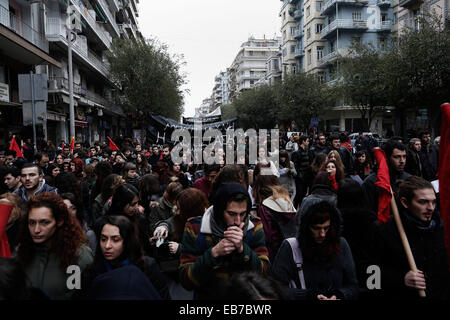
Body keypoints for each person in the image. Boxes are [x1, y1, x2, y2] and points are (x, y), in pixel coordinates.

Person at [179, 182, 270, 300]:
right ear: (219, 211)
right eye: (231, 214)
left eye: (242, 214)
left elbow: (265, 273)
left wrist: (243, 251)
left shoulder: (254, 226)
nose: (237, 221)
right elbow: (186, 280)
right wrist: (213, 254)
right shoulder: (195, 227)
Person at [370, 176, 450, 299]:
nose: (431, 208)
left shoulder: (442, 228)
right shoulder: (386, 231)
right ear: (405, 202)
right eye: (423, 202)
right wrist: (401, 278)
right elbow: (370, 276)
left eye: (433, 202)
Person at [271, 201, 359, 300]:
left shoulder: (341, 245)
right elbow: (276, 288)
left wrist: (340, 295)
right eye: (316, 228)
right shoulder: (291, 247)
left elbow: (353, 286)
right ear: (307, 227)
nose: (322, 234)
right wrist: (308, 295)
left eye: (326, 228)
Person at [16, 192, 93, 300]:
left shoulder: (77, 256)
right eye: (32, 223)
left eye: (45, 222)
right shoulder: (21, 252)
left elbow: (76, 294)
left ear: (59, 221)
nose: (36, 230)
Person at [78, 215, 170, 300]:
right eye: (103, 239)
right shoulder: (92, 272)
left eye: (115, 240)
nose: (107, 245)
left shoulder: (147, 267)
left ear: (127, 242)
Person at [152, 188, 209, 299]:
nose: (176, 211)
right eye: (176, 208)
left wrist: (180, 248)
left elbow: (205, 252)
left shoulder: (207, 225)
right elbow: (169, 221)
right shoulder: (180, 216)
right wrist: (162, 227)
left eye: (179, 209)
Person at [337, 178, 377, 293]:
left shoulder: (337, 222)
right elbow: (377, 256)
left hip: (344, 276)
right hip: (369, 273)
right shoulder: (372, 221)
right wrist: (375, 285)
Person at [252, 175, 297, 263]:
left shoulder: (265, 207)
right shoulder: (286, 199)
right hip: (292, 250)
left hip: (275, 255)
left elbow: (268, 236)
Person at [362, 141, 411, 215]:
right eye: (397, 157)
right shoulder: (371, 182)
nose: (402, 161)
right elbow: (367, 211)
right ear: (387, 158)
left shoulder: (409, 179)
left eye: (404, 156)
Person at [291, 136, 312, 208]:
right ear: (303, 141)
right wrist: (299, 176)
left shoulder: (306, 151)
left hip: (305, 177)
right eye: (307, 141)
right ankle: (295, 211)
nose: (308, 142)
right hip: (300, 178)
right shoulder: (296, 153)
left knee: (302, 195)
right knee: (298, 195)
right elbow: (295, 166)